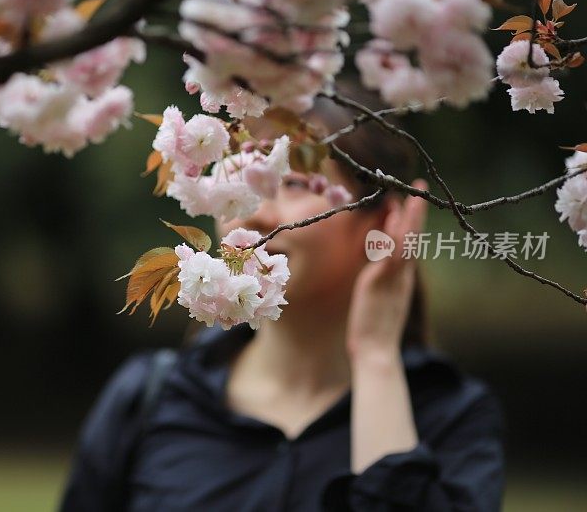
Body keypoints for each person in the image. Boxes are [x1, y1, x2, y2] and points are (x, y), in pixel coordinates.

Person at [58, 88, 506, 511]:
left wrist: (375, 358)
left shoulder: (450, 418)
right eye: (239, 179)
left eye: (292, 184)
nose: (254, 213)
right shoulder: (148, 401)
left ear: (388, 219)